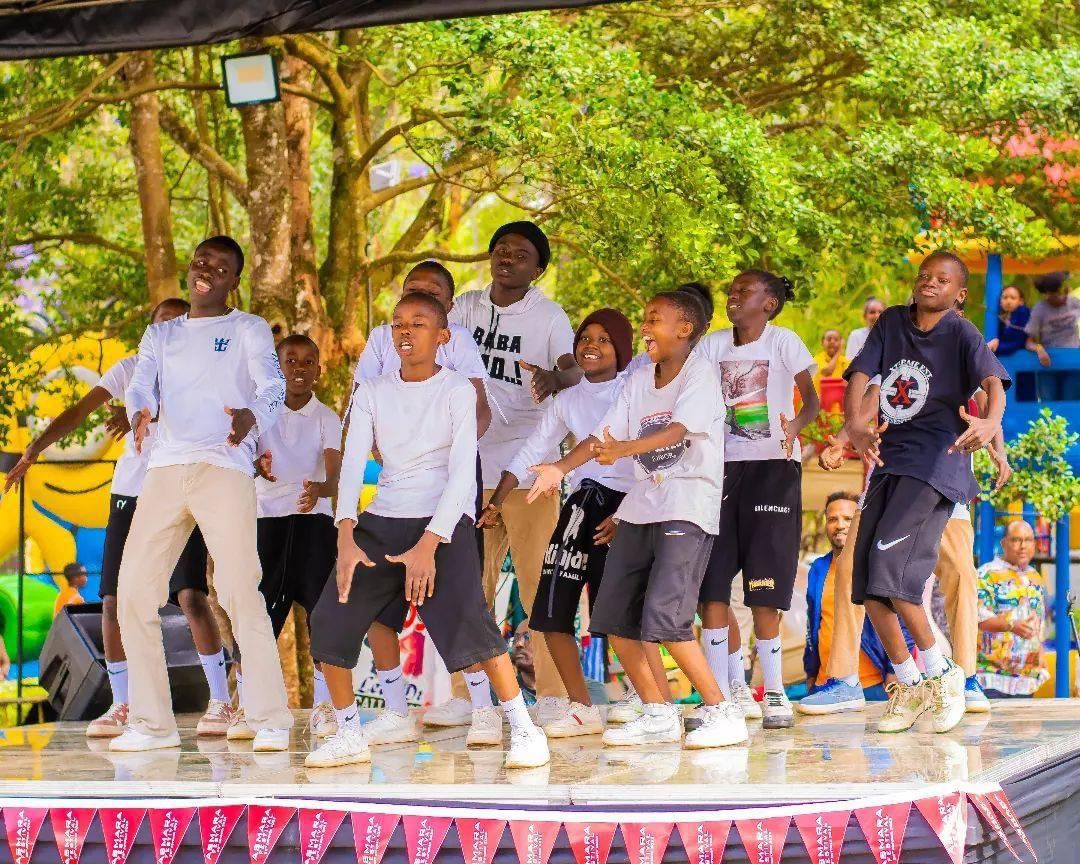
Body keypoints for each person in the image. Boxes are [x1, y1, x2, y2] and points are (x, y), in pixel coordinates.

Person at [305, 292, 550, 770]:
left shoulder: (457, 389)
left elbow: (462, 471)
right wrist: (345, 533)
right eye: (398, 323)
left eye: (418, 324)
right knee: (329, 619)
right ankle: (350, 733)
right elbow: (353, 462)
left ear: (443, 337)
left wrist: (428, 545)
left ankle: (523, 728)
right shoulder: (373, 391)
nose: (405, 332)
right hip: (384, 517)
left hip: (444, 520)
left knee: (470, 624)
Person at [2, 298, 230, 739]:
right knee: (112, 600)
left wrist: (147, 412)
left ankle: (221, 701)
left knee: (188, 596)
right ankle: (122, 703)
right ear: (150, 331)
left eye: (177, 325)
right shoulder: (130, 369)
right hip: (130, 493)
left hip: (179, 493)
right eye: (160, 325)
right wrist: (35, 449)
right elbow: (78, 411)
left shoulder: (206, 375)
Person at [528, 291, 748, 749]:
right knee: (613, 618)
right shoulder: (639, 380)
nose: (645, 327)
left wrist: (625, 450)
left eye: (654, 319)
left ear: (684, 329)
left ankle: (722, 712)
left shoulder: (700, 375)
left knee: (664, 620)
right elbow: (600, 436)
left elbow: (676, 432)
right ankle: (658, 713)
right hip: (641, 507)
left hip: (686, 509)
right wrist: (559, 468)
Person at [110, 236, 293, 753]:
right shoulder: (161, 333)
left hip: (224, 465)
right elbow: (141, 385)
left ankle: (270, 717)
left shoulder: (247, 328)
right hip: (165, 469)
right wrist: (140, 412)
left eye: (220, 266)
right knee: (133, 595)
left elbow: (272, 386)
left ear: (234, 281)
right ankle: (152, 724)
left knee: (237, 588)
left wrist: (253, 416)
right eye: (200, 262)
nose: (206, 270)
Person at [841, 250, 1010, 735]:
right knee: (868, 586)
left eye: (942, 279)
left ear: (959, 294)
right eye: (923, 275)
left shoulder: (960, 331)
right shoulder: (892, 322)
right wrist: (854, 424)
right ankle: (910, 682)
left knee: (894, 577)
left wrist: (991, 425)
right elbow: (859, 376)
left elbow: (993, 383)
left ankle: (945, 674)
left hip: (937, 465)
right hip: (891, 462)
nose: (928, 282)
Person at [429, 221, 582, 731]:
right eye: (500, 250)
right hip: (467, 467)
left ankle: (557, 698)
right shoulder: (466, 307)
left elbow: (575, 369)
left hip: (529, 468)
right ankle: (467, 698)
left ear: (537, 270)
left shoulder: (550, 316)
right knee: (467, 585)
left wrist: (554, 377)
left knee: (539, 584)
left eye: (520, 254)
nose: (506, 258)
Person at [481, 308, 649, 738]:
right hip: (579, 505)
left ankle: (647, 702)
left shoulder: (636, 387)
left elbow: (635, 454)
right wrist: (497, 501)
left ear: (623, 349)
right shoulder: (567, 401)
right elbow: (529, 452)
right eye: (585, 338)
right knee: (549, 613)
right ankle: (581, 707)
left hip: (624, 507)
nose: (591, 345)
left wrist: (627, 513)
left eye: (604, 339)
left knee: (617, 614)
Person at [352, 261, 493, 747]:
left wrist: (442, 439)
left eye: (430, 298)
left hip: (450, 482)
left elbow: (479, 411)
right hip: (393, 495)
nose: (415, 311)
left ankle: (481, 707)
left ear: (446, 315)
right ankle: (394, 710)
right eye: (410, 297)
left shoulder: (459, 347)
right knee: (377, 603)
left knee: (455, 600)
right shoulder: (379, 341)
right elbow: (362, 404)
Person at [696, 270, 820, 729]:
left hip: (773, 470)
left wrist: (794, 428)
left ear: (768, 304)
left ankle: (774, 692)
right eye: (731, 289)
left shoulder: (784, 342)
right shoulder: (711, 346)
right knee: (712, 585)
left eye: (745, 291)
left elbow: (811, 401)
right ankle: (725, 691)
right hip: (720, 472)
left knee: (765, 587)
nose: (734, 295)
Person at [233, 334, 342, 741]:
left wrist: (319, 489)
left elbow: (334, 476)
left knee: (323, 618)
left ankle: (324, 708)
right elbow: (241, 462)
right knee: (259, 619)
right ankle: (249, 707)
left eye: (307, 361)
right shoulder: (259, 417)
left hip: (314, 527)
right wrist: (257, 467)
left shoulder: (327, 418)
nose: (298, 368)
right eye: (290, 360)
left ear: (318, 369)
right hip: (267, 525)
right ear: (276, 368)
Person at [803, 493, 915, 702]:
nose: (840, 525)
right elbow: (813, 624)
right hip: (823, 684)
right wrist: (810, 671)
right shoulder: (818, 568)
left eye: (848, 519)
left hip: (871, 686)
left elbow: (904, 620)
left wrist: (894, 669)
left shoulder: (877, 566)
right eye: (832, 519)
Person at [976, 520, 1049, 698]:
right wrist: (1011, 625)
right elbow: (978, 618)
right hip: (993, 678)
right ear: (1003, 543)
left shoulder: (1035, 576)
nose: (1023, 546)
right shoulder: (987, 574)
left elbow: (1038, 620)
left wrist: (1040, 651)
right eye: (1016, 540)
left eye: (1028, 540)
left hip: (1027, 679)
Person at [1025, 271, 1080, 402]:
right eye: (1053, 295)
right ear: (1046, 293)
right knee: (1049, 404)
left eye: (1060, 294)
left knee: (1071, 402)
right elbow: (1029, 342)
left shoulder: (1075, 303)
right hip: (1048, 364)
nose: (1058, 298)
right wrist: (1039, 349)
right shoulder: (1040, 309)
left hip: (1073, 362)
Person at [987, 285, 1030, 356]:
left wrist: (997, 347)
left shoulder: (1023, 312)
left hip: (1020, 356)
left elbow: (1019, 342)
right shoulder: (1002, 318)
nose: (1008, 301)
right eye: (1005, 298)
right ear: (1000, 301)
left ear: (1021, 301)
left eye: (1013, 298)